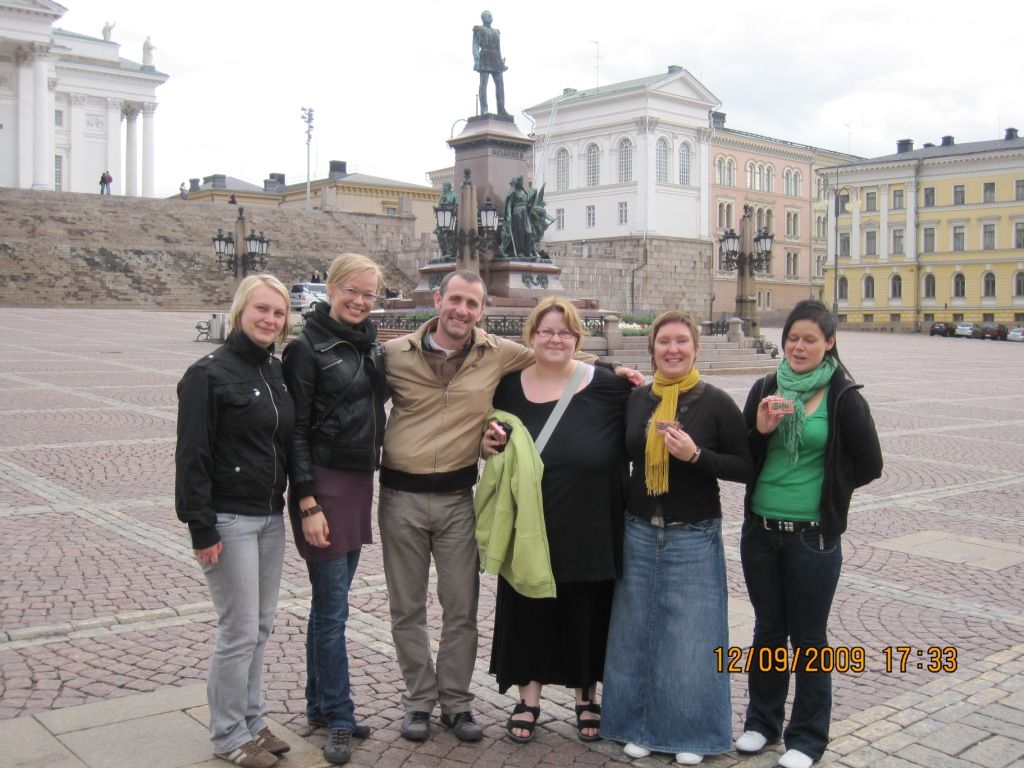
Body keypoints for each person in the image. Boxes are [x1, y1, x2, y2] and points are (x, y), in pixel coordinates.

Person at [378, 269, 641, 744]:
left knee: (463, 608)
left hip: (467, 499)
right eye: (454, 300)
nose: (461, 310)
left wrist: (616, 370)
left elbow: (564, 355)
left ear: (482, 311)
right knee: (409, 608)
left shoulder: (504, 358)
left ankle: (459, 703)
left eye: (472, 304)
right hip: (406, 497)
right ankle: (424, 701)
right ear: (438, 300)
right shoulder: (396, 355)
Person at [734, 300, 882, 768]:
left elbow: (869, 463)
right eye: (793, 338)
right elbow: (743, 456)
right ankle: (762, 724)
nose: (799, 347)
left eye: (810, 339)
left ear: (829, 343)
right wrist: (759, 432)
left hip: (813, 538)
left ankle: (808, 738)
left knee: (809, 638)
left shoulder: (843, 396)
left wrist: (828, 493)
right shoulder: (765, 385)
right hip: (760, 531)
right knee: (768, 632)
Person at [601, 310, 752, 766]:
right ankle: (639, 727)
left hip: (693, 534)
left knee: (691, 639)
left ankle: (692, 733)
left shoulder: (717, 402)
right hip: (639, 529)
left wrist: (696, 455)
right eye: (664, 341)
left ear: (695, 347)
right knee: (636, 634)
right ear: (652, 350)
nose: (673, 349)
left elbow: (745, 467)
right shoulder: (639, 399)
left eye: (681, 341)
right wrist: (615, 370)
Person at [479, 298, 630, 744]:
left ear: (578, 339)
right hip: (528, 521)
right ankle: (528, 698)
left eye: (564, 332)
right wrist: (486, 444)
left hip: (590, 520)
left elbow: (642, 421)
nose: (555, 339)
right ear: (531, 336)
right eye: (546, 331)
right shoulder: (506, 387)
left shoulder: (607, 385)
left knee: (587, 608)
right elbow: (489, 433)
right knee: (528, 607)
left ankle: (587, 697)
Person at [175, 274, 295, 768]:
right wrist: (200, 526)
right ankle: (227, 736)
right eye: (261, 310)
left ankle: (253, 719)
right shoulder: (208, 374)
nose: (269, 320)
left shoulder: (274, 368)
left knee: (261, 626)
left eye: (278, 313)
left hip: (270, 515)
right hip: (229, 519)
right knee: (238, 629)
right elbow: (192, 457)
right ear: (240, 311)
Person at [282, 254, 386, 765]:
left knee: (328, 607)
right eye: (352, 289)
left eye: (370, 294)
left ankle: (319, 705)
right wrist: (306, 502)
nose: (361, 300)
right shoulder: (306, 348)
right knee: (333, 609)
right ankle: (340, 717)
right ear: (332, 287)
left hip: (357, 481)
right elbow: (295, 430)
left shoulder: (369, 346)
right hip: (322, 485)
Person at [472, 10, 509, 116]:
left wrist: (502, 64)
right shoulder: (478, 29)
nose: (490, 17)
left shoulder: (496, 32)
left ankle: (501, 108)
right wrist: (476, 60)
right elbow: (475, 46)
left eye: (491, 15)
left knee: (500, 85)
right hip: (484, 57)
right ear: (483, 18)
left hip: (496, 59)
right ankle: (484, 108)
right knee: (484, 84)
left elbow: (498, 48)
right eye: (487, 15)